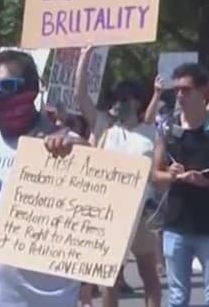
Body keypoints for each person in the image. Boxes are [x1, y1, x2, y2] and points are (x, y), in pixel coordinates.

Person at [0, 49, 80, 306]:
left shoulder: (64, 146)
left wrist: (77, 154)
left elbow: (102, 193)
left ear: (32, 90)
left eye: (8, 86)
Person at [68, 54, 162, 307]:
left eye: (125, 99)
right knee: (109, 278)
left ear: (136, 101)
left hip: (142, 213)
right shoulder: (105, 128)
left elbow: (159, 170)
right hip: (109, 214)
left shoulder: (150, 133)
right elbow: (81, 96)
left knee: (148, 274)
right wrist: (85, 58)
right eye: (117, 99)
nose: (120, 104)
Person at [151, 63, 209, 307]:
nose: (180, 95)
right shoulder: (167, 128)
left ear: (204, 91)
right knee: (177, 298)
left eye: (186, 90)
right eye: (178, 90)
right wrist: (171, 176)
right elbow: (154, 174)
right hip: (176, 226)